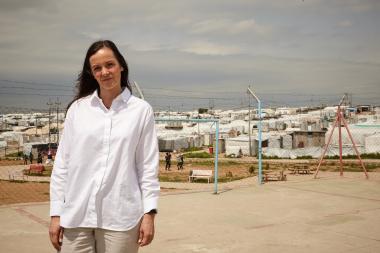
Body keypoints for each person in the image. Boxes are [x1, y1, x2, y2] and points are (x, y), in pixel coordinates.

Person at [49, 40, 160, 253]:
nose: (105, 72)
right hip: (77, 215)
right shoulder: (78, 110)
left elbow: (147, 167)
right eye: (97, 68)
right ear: (91, 73)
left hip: (121, 217)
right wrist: (56, 213)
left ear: (121, 66)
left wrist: (149, 215)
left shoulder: (141, 111)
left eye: (109, 64)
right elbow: (62, 164)